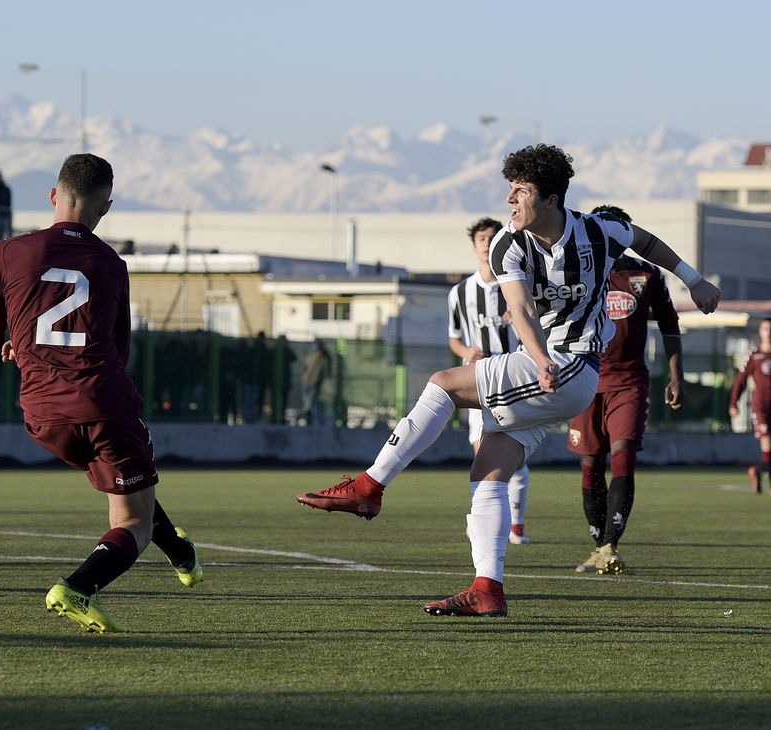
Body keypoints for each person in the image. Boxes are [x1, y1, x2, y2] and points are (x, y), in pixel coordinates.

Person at [296, 144, 721, 617]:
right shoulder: (508, 244)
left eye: (520, 191)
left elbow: (647, 242)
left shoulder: (600, 230)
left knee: (442, 383)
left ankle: (369, 487)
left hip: (573, 367)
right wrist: (539, 357)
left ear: (552, 199)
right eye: (509, 190)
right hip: (553, 369)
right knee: (489, 472)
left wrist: (694, 279)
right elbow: (517, 307)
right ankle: (487, 588)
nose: (509, 201)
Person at [0, 153, 203, 633]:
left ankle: (181, 553)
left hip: (42, 417)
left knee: (127, 485)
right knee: (132, 523)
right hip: (102, 404)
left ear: (53, 195)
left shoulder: (9, 253)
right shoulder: (112, 265)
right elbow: (118, 354)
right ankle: (77, 588)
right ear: (106, 206)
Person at [568, 205, 684, 574]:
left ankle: (610, 546)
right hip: (583, 376)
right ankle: (597, 547)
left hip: (630, 382)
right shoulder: (576, 271)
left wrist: (676, 375)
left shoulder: (647, 275)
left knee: (623, 457)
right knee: (590, 464)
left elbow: (669, 325)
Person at [448, 217, 532, 545]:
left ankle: (516, 526)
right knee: (483, 456)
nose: (486, 243)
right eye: (481, 238)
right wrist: (467, 351)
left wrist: (522, 317)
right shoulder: (461, 292)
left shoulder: (517, 285)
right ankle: (482, 524)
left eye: (492, 237)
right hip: (478, 384)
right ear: (474, 245)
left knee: (514, 462)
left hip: (513, 381)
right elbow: (454, 338)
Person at [729, 317, 771, 496]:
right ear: (761, 332)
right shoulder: (754, 356)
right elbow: (740, 381)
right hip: (761, 407)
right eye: (766, 329)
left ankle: (757, 471)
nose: (769, 333)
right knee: (766, 442)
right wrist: (733, 403)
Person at [300, 339, 332, 425]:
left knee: (309, 401)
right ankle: (308, 416)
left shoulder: (312, 356)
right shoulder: (322, 358)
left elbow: (305, 367)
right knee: (310, 401)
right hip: (313, 381)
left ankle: (308, 416)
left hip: (310, 381)